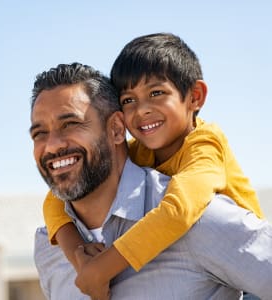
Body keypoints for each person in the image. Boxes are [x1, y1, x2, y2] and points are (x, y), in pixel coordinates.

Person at [41, 33, 264, 297]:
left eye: (156, 93)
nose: (142, 110)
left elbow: (178, 212)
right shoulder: (140, 151)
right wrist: (78, 256)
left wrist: (102, 268)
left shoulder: (204, 147)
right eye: (128, 100)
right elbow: (55, 200)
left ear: (195, 96)